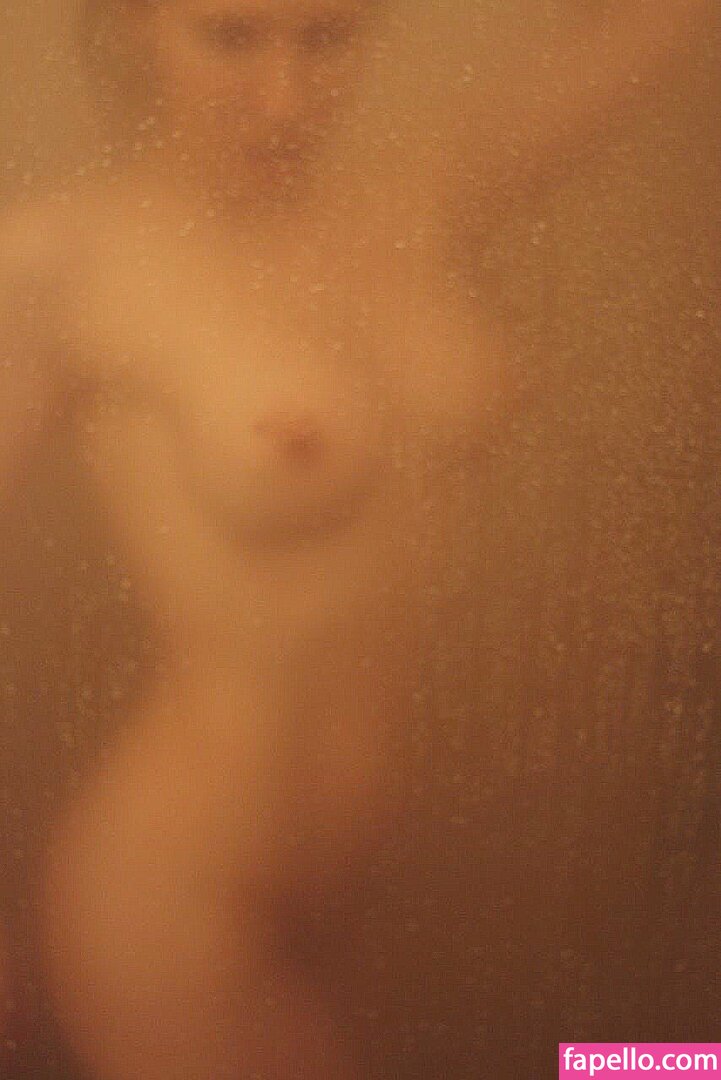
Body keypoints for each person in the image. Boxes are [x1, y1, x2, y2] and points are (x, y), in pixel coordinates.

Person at [0, 1, 711, 1077]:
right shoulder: (66, 258)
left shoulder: (419, 193)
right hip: (179, 897)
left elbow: (658, 25)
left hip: (378, 890)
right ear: (138, 26)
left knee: (658, 1064)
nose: (284, 94)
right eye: (231, 37)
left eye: (325, 38)